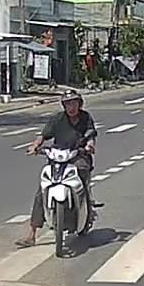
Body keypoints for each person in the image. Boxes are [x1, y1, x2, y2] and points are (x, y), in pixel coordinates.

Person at [16, 89, 97, 253]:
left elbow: (91, 135)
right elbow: (43, 136)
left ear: (79, 104)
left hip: (78, 156)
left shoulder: (85, 117)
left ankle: (87, 209)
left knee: (82, 173)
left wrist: (90, 145)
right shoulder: (57, 119)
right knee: (43, 189)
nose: (71, 107)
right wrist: (35, 146)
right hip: (58, 157)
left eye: (74, 103)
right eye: (67, 104)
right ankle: (32, 233)